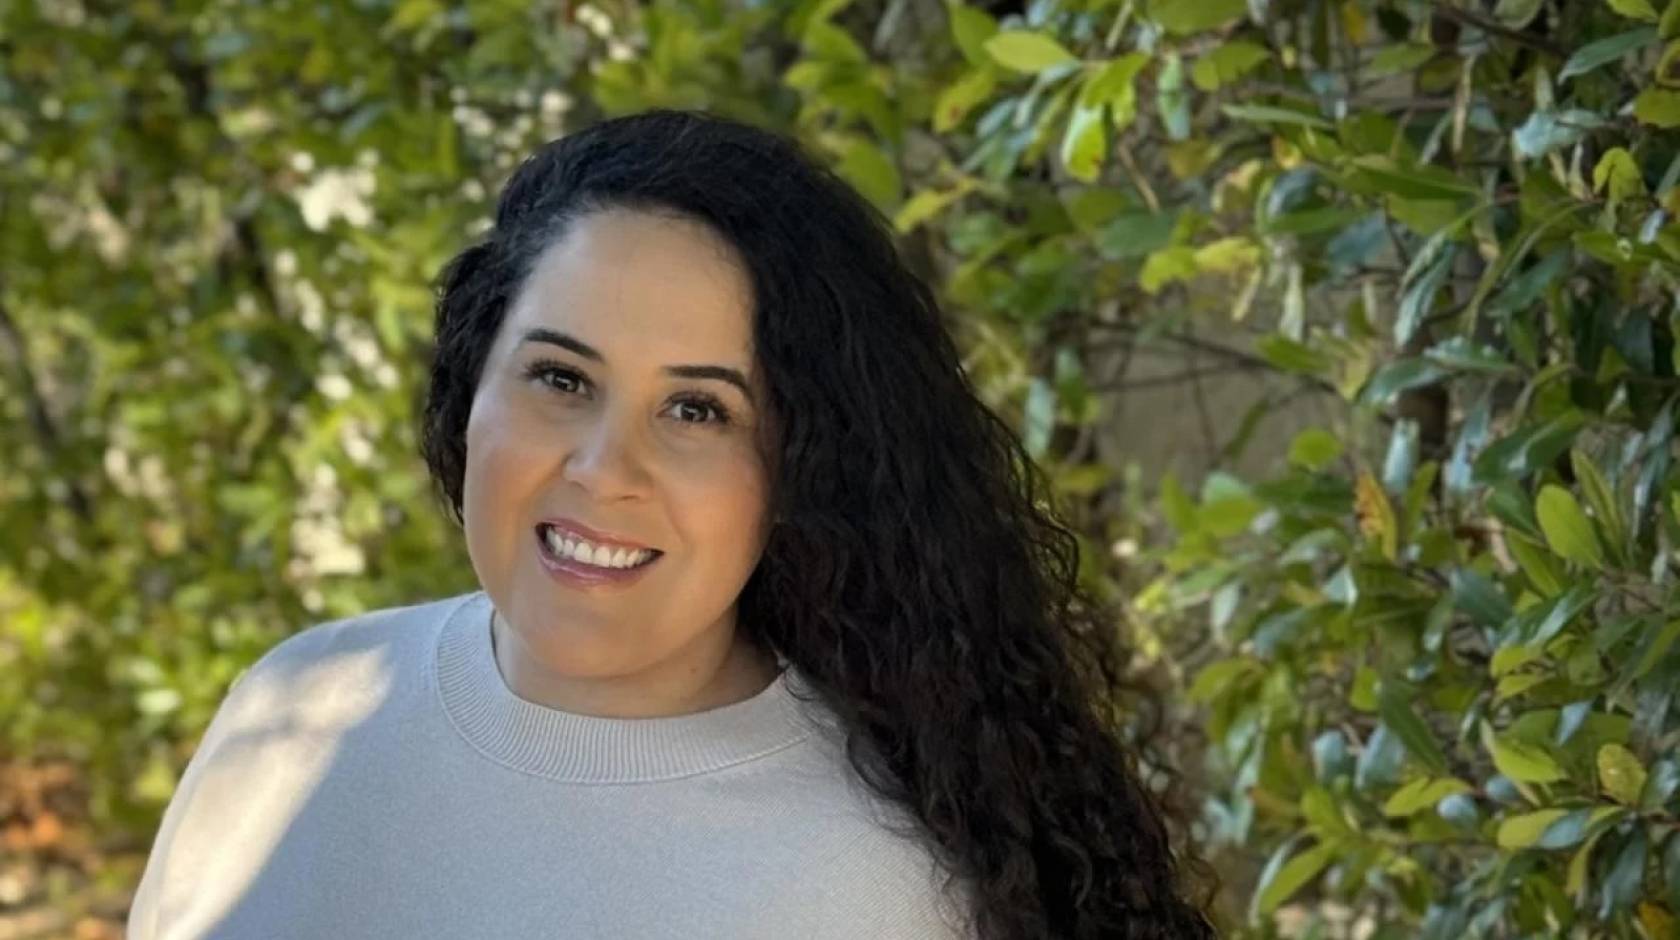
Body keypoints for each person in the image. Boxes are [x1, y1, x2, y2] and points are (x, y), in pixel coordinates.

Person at [126, 108, 1216, 939]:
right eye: (560, 376)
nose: (606, 468)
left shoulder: (877, 882)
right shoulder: (291, 707)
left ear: (804, 468)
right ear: (472, 390)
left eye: (698, 409)